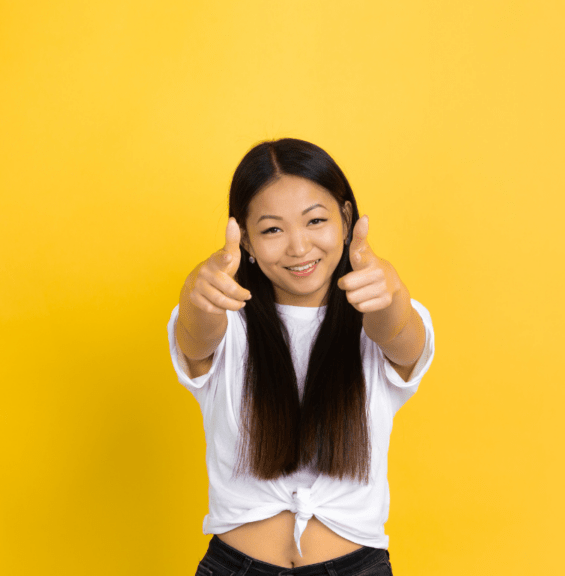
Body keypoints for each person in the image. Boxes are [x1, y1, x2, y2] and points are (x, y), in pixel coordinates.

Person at [168, 138, 436, 575]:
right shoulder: (225, 315)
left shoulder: (380, 309)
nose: (298, 247)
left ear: (346, 220)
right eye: (272, 229)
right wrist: (196, 296)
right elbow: (195, 340)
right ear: (246, 239)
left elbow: (401, 338)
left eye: (315, 221)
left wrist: (391, 294)